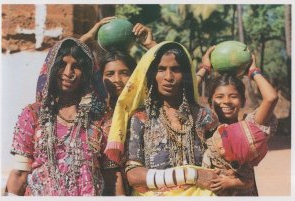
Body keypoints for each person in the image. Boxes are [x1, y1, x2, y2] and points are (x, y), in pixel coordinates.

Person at [104, 41, 220, 196]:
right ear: (152, 75)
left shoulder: (204, 117)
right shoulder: (141, 118)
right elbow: (133, 175)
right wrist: (192, 176)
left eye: (175, 69)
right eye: (161, 69)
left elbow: (222, 165)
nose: (168, 77)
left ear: (185, 74)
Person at [4, 37, 108, 196]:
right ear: (51, 69)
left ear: (86, 74)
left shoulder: (100, 119)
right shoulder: (33, 115)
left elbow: (112, 176)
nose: (68, 73)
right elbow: (20, 174)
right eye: (62, 64)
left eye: (76, 66)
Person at [79, 17, 157, 196]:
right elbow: (60, 58)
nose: (116, 80)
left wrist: (151, 44)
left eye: (124, 73)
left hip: (145, 186)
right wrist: (92, 35)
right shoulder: (94, 112)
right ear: (101, 77)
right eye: (110, 74)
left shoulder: (144, 108)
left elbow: (170, 70)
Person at [197, 46, 278, 195]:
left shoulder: (249, 127)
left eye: (233, 96)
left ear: (243, 101)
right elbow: (183, 96)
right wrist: (205, 68)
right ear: (210, 102)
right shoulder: (204, 127)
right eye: (219, 97)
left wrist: (254, 71)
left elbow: (271, 98)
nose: (226, 101)